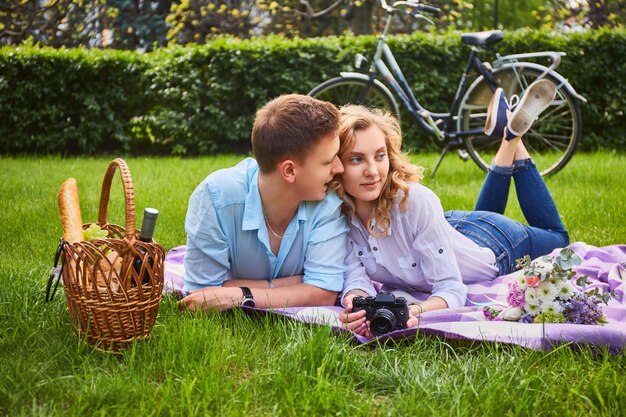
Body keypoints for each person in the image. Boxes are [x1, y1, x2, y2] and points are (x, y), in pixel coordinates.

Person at [336, 80, 570, 337]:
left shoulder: (416, 202)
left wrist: (418, 310)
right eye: (356, 159)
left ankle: (513, 138)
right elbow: (355, 278)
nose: (372, 171)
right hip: (450, 228)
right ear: (336, 165)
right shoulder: (337, 217)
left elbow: (451, 288)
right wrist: (355, 304)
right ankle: (509, 134)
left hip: (496, 245)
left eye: (380, 156)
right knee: (481, 218)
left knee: (558, 237)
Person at [178, 94, 347, 312]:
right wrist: (299, 283)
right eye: (328, 161)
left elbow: (323, 293)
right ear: (289, 170)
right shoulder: (216, 198)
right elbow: (202, 295)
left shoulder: (327, 200)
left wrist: (240, 294)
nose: (339, 168)